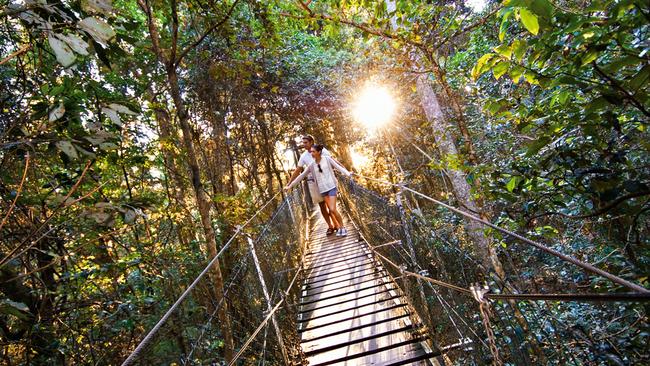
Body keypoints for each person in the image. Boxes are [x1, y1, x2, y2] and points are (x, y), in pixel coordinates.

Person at [285, 144, 353, 237]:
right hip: (323, 190)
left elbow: (338, 167)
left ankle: (342, 227)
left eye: (313, 151)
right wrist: (290, 186)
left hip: (331, 187)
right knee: (332, 210)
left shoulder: (327, 159)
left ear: (319, 152)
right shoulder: (311, 165)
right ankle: (341, 228)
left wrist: (348, 174)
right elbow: (301, 176)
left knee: (332, 209)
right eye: (311, 152)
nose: (311, 153)